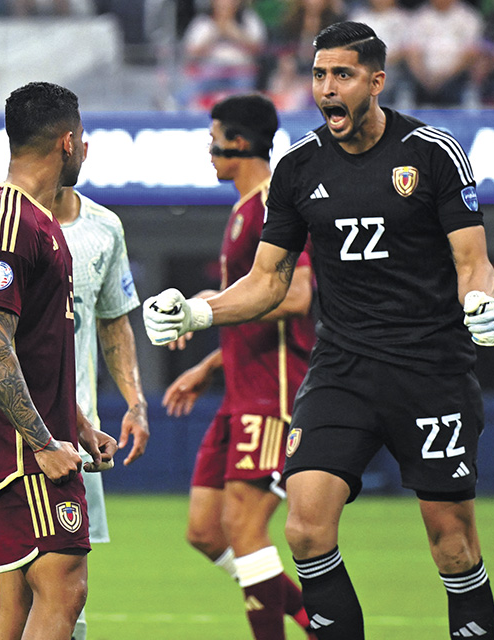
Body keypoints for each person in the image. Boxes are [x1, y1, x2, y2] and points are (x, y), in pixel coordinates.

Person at [143, 22, 494, 640]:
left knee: (453, 545)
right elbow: (268, 281)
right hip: (342, 370)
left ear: (376, 80)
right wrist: (199, 314)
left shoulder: (433, 153)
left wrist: (483, 306)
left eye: (342, 75)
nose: (327, 89)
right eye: (318, 75)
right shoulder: (297, 169)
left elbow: (472, 261)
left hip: (431, 371)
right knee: (305, 529)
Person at [0, 128, 151, 639]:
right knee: (2, 571)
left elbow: (107, 324)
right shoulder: (5, 227)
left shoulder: (96, 228)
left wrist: (91, 417)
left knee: (43, 594)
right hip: (22, 436)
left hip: (61, 430)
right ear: (68, 144)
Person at [0, 81, 116, 640]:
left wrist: (76, 423)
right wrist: (45, 443)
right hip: (22, 453)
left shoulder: (36, 221)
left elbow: (34, 351)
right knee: (65, 586)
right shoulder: (10, 226)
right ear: (68, 142)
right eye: (85, 138)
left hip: (26, 442)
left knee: (21, 603)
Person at [161, 93, 315, 640]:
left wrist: (207, 306)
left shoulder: (277, 203)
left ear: (241, 143)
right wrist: (208, 367)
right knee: (206, 530)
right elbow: (250, 311)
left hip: (274, 393)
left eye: (214, 138)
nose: (209, 149)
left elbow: (296, 297)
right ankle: (310, 621)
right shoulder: (244, 207)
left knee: (246, 528)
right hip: (239, 393)